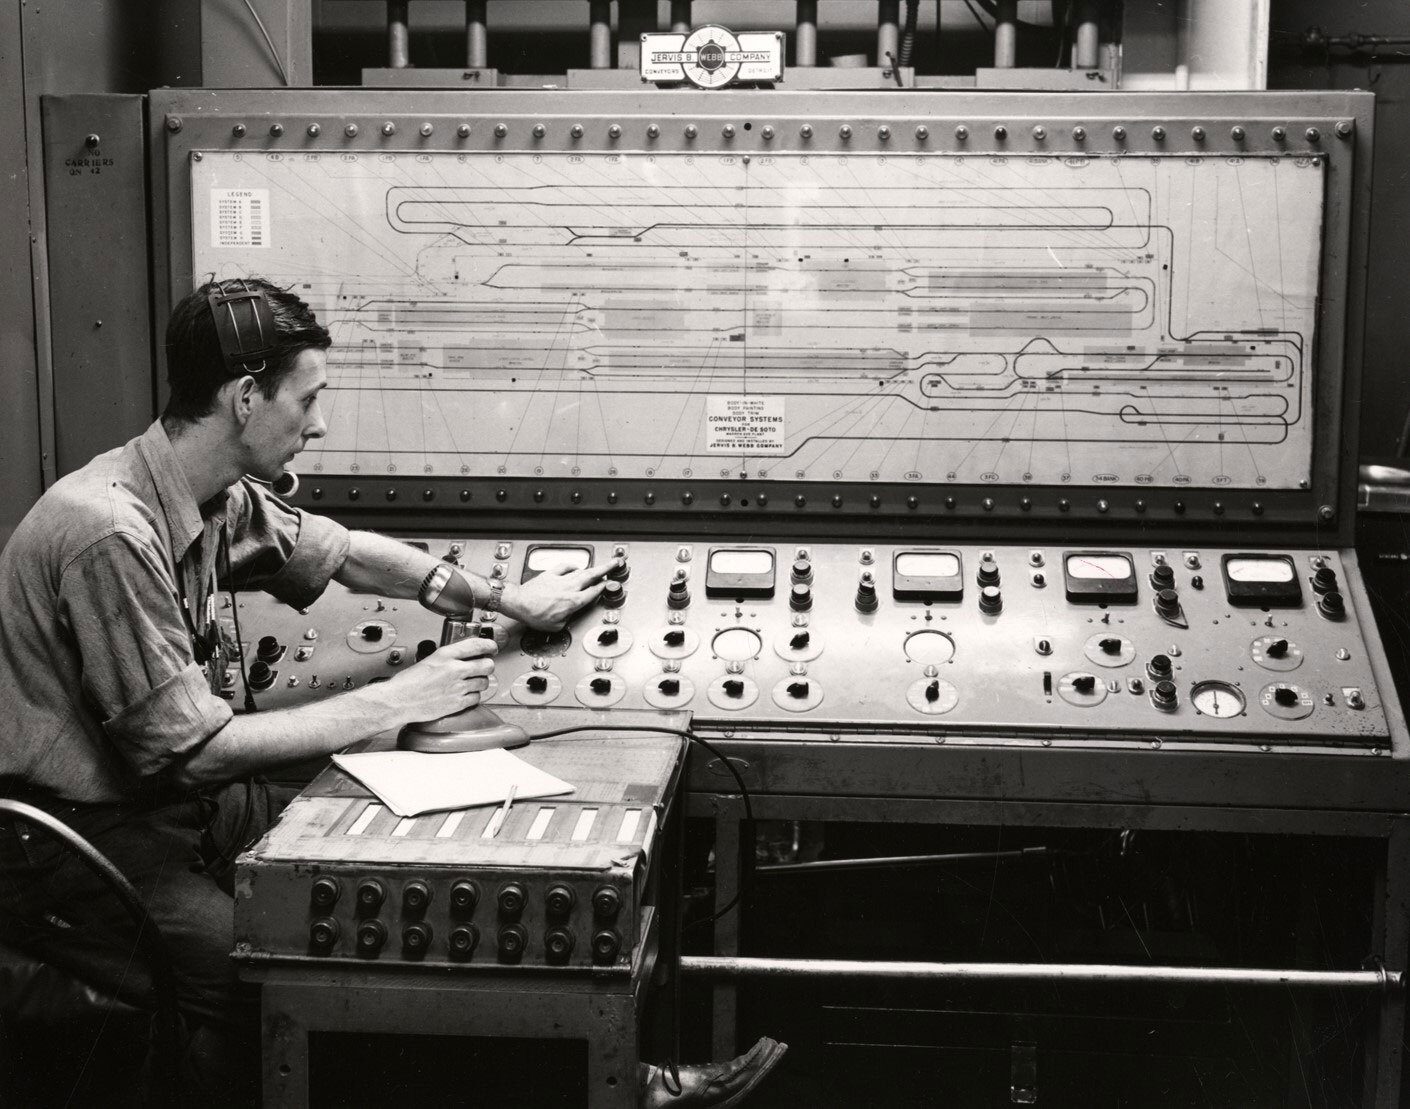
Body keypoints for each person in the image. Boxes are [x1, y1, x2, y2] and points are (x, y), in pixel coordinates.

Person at [0, 278, 785, 1106]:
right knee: (283, 986)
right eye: (308, 399)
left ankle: (620, 1077)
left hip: (170, 809)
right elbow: (192, 749)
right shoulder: (111, 531)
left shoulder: (206, 495)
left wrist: (500, 596)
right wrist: (398, 699)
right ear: (243, 398)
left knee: (410, 861)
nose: (319, 422)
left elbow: (343, 553)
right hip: (76, 848)